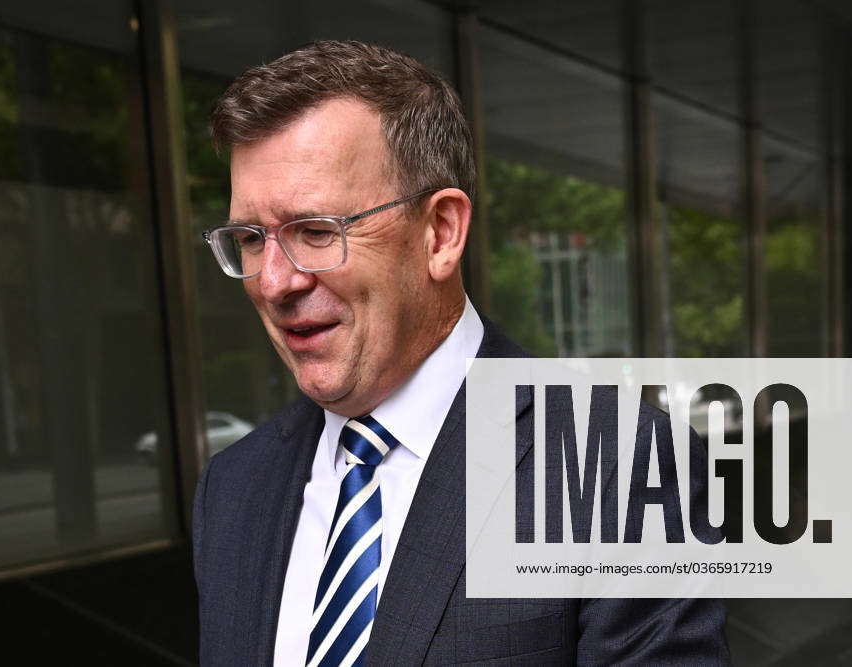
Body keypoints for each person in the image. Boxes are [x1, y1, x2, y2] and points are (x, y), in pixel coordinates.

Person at [192, 40, 730, 666]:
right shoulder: (232, 490)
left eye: (316, 232)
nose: (276, 281)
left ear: (441, 233)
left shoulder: (615, 464)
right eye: (251, 240)